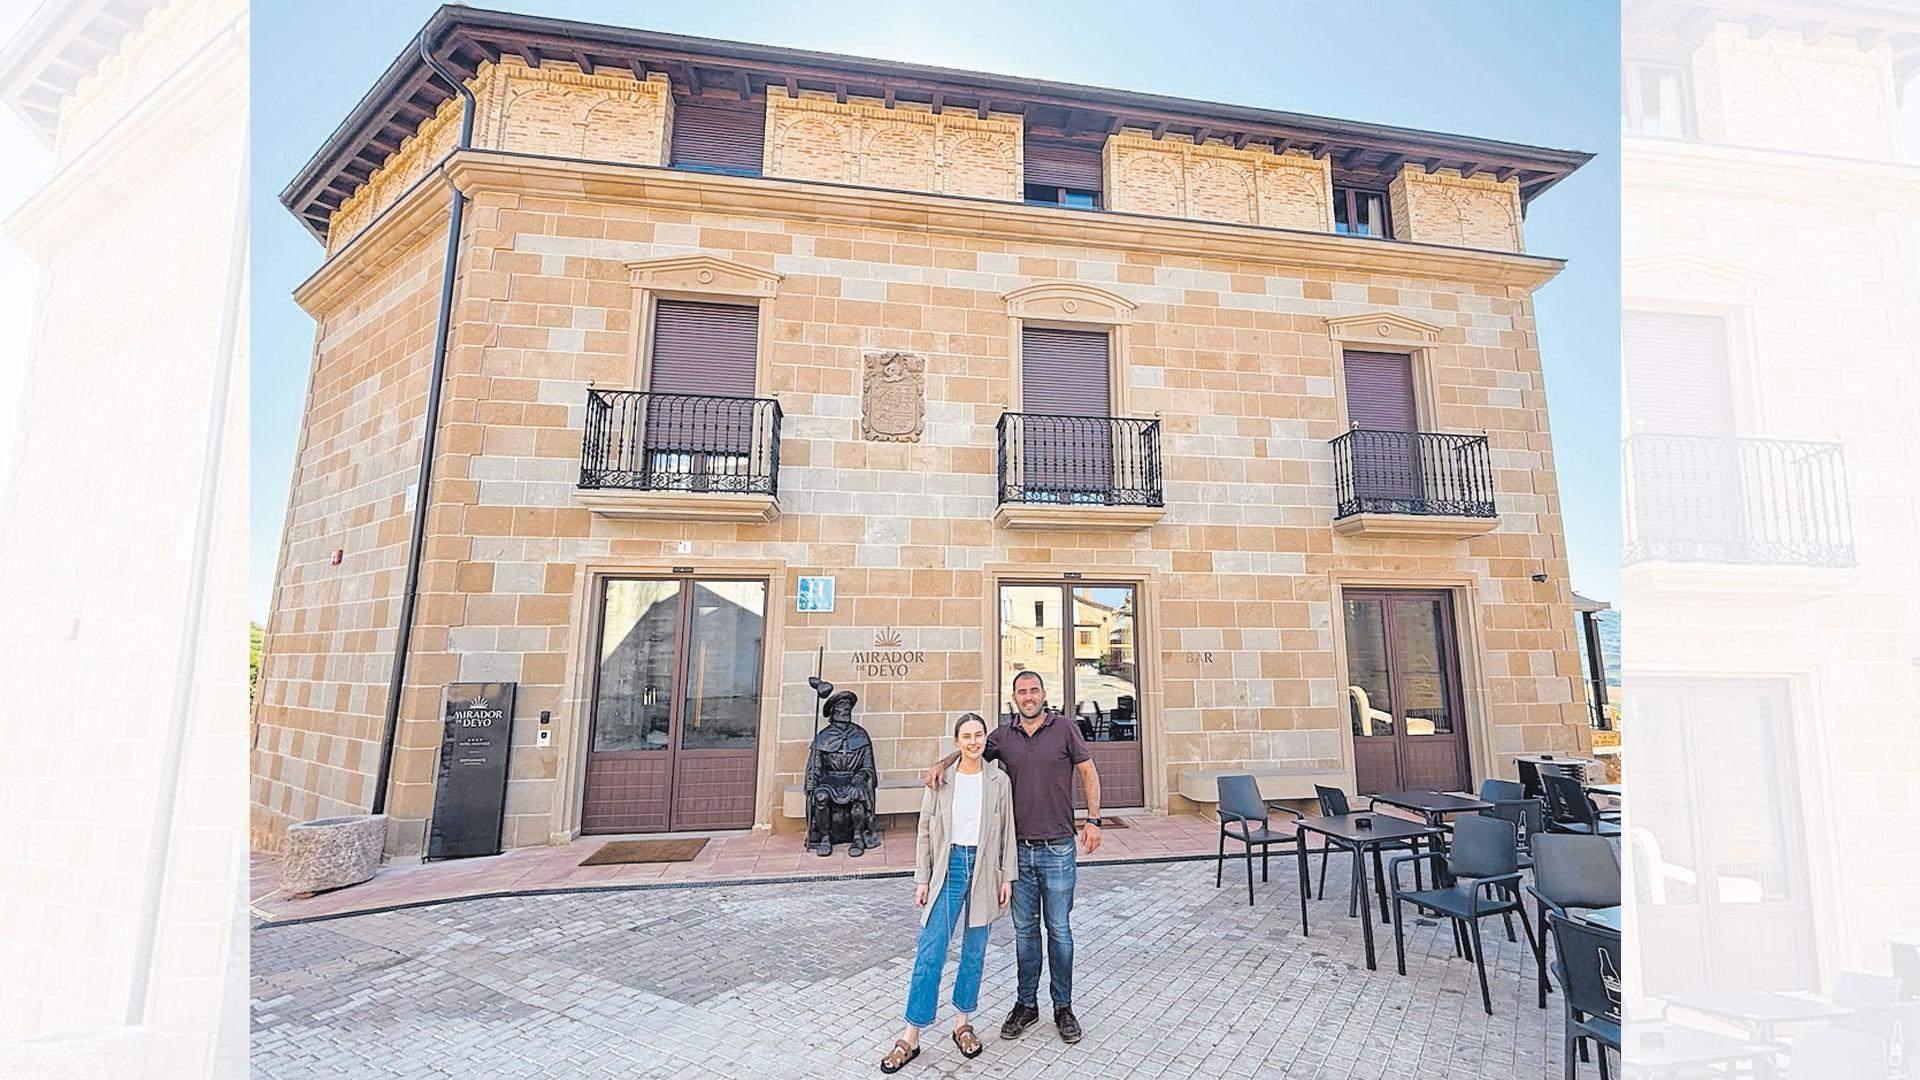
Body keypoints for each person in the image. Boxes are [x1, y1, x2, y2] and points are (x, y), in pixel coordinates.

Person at [924, 670, 1100, 1045]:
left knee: (1060, 931)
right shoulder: (1003, 737)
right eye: (1022, 692)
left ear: (1043, 694)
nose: (1028, 696)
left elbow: (1088, 772)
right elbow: (969, 749)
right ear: (1014, 698)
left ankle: (1063, 1007)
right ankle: (1026, 1005)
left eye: (1034, 690)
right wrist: (942, 763)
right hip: (1017, 851)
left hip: (1058, 848)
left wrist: (1094, 821)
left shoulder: (1066, 728)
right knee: (1024, 933)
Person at [881, 713, 1018, 1074]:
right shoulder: (941, 780)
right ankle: (911, 1035)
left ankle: (962, 1023)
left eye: (979, 735)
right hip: (950, 866)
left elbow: (1008, 832)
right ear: (956, 742)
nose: (974, 742)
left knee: (975, 952)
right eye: (966, 736)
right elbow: (925, 830)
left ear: (985, 739)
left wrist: (1007, 877)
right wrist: (922, 878)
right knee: (931, 950)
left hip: (986, 868)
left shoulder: (999, 780)